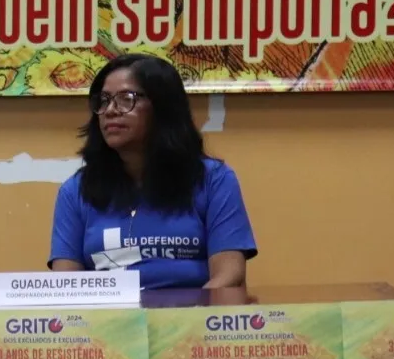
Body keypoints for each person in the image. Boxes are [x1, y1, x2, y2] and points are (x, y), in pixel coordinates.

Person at [48, 54, 256, 290]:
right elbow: (65, 287)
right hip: (110, 314)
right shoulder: (76, 190)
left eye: (126, 99)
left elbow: (230, 276)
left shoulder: (213, 180)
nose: (110, 110)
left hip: (192, 312)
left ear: (163, 107)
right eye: (103, 100)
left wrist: (187, 313)